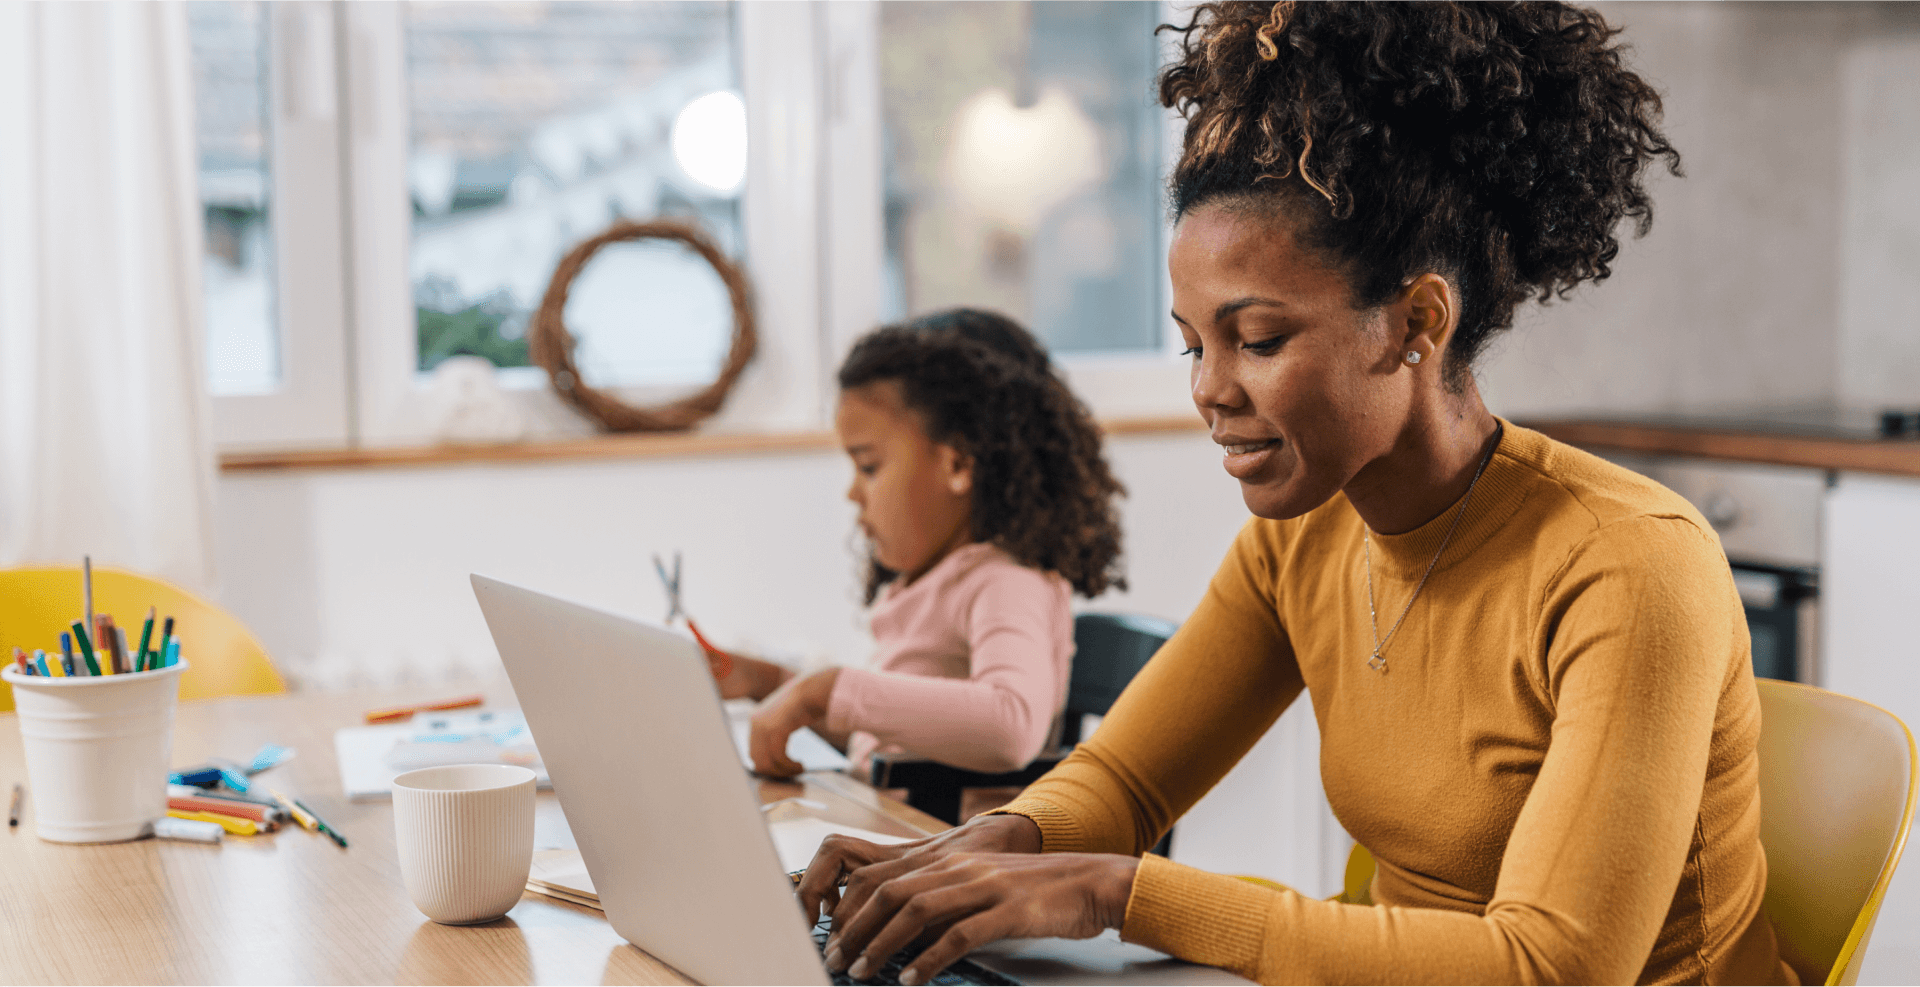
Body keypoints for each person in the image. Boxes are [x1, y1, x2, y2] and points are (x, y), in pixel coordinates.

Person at [797, 3, 1798, 986]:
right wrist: (982, 853)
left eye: (1259, 340)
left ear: (1416, 321)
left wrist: (1119, 893)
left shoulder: (1630, 564)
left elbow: (1552, 967)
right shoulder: (1306, 540)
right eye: (1195, 344)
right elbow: (1129, 778)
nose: (1209, 391)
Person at [719, 308, 1127, 783]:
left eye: (869, 467)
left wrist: (827, 689)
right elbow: (885, 730)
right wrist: (767, 684)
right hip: (891, 831)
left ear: (956, 464)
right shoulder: (937, 580)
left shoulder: (1006, 580)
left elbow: (1012, 725)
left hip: (938, 846)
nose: (853, 493)